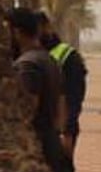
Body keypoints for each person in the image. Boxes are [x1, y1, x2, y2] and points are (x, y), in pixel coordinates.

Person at [6, 7, 75, 172]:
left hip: (38, 146)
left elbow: (28, 108)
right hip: (51, 141)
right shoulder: (49, 60)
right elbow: (62, 103)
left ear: (17, 33)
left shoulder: (27, 65)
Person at [36, 11, 88, 158]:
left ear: (47, 27)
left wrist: (67, 133)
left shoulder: (67, 56)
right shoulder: (23, 55)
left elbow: (74, 98)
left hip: (57, 134)